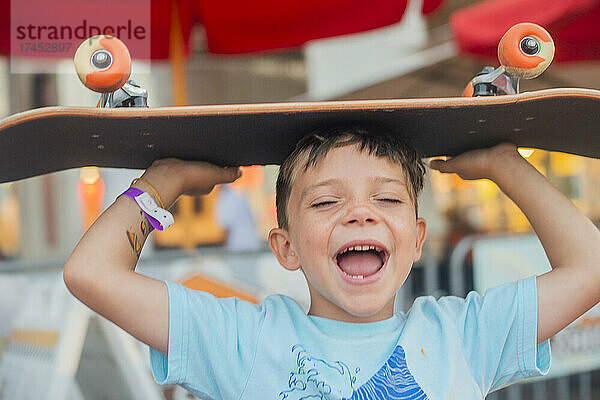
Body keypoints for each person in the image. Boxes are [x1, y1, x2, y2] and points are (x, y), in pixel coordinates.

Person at [63, 127, 600, 399]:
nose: (361, 214)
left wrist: (507, 167)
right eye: (326, 202)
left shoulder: (465, 336)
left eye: (387, 199)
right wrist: (165, 182)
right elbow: (92, 273)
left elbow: (590, 267)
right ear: (286, 247)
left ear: (416, 242)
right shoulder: (242, 340)